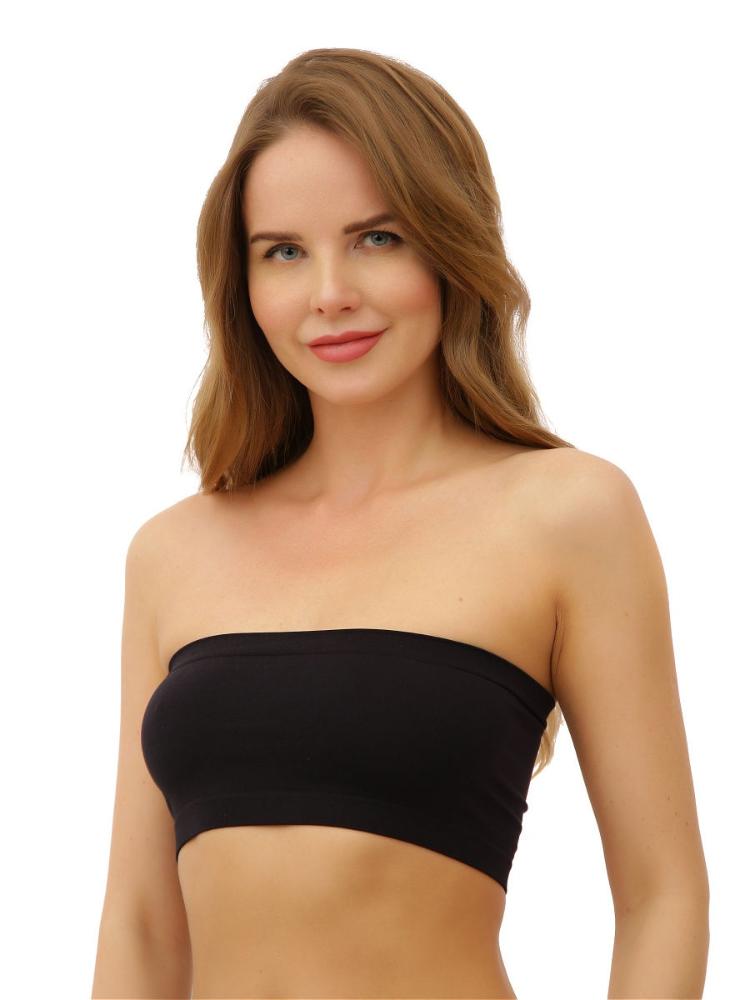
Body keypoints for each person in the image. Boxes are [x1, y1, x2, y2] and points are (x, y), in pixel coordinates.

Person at [92, 47, 709, 1000]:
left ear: (448, 243)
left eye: (376, 238)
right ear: (241, 283)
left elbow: (663, 897)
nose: (330, 291)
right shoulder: (174, 552)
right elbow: (140, 924)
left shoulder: (569, 514)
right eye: (283, 251)